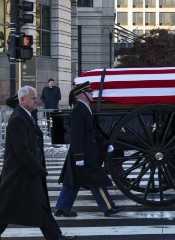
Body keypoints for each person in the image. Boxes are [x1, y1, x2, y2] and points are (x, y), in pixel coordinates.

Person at [0, 86, 76, 240]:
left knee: (40, 205)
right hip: (19, 173)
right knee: (6, 209)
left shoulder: (26, 116)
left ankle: (55, 237)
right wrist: (38, 169)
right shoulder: (18, 119)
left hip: (26, 172)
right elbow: (22, 150)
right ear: (22, 100)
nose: (37, 101)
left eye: (37, 97)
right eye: (33, 98)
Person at [55, 81, 122, 217]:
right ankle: (108, 207)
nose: (92, 94)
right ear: (81, 94)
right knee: (96, 178)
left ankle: (62, 207)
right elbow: (76, 135)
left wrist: (105, 143)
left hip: (84, 151)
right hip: (83, 152)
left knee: (72, 179)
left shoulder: (85, 108)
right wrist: (79, 156)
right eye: (89, 92)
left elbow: (93, 130)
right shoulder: (78, 110)